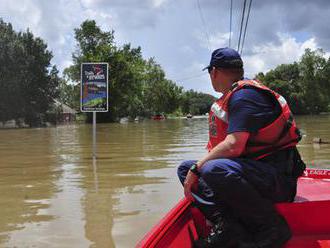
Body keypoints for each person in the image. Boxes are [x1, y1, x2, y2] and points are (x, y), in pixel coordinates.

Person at [177, 47, 306, 248]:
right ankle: (228, 226)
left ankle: (271, 227)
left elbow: (234, 147)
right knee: (186, 168)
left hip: (277, 180)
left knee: (209, 168)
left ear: (214, 72)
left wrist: (198, 168)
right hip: (254, 176)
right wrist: (194, 169)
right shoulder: (236, 94)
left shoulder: (245, 96)